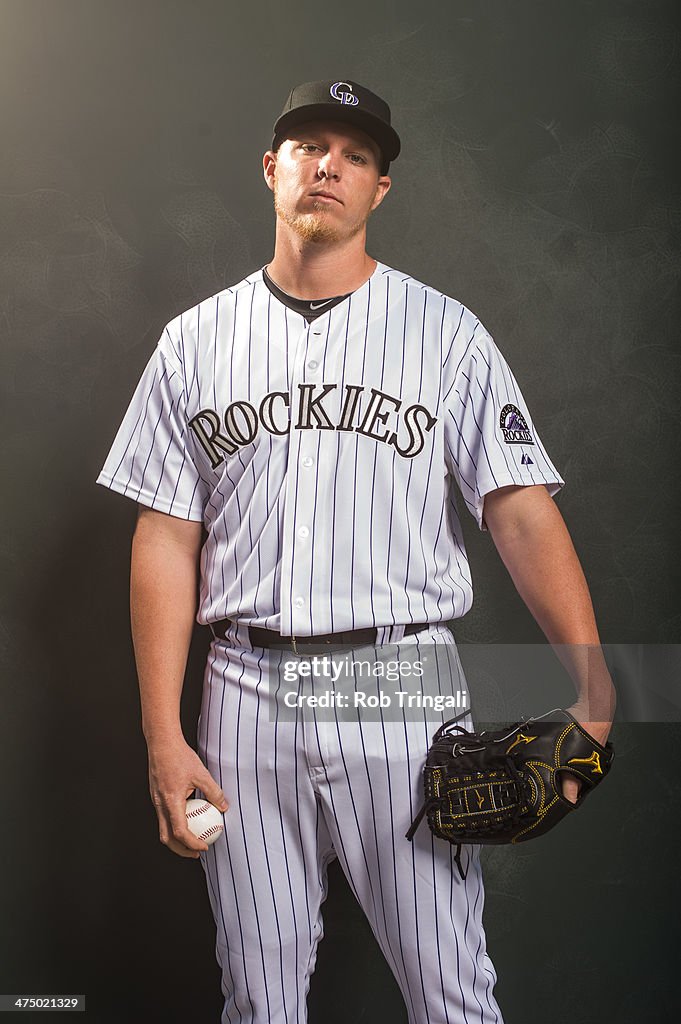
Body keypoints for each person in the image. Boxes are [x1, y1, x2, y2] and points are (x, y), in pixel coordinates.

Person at [96, 78, 616, 1023]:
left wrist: (595, 687)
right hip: (243, 694)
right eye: (308, 146)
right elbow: (165, 538)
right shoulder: (192, 343)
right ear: (271, 169)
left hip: (397, 682)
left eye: (356, 153)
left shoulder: (446, 334)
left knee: (449, 990)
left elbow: (519, 511)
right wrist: (163, 737)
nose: (329, 164)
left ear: (381, 189)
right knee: (256, 999)